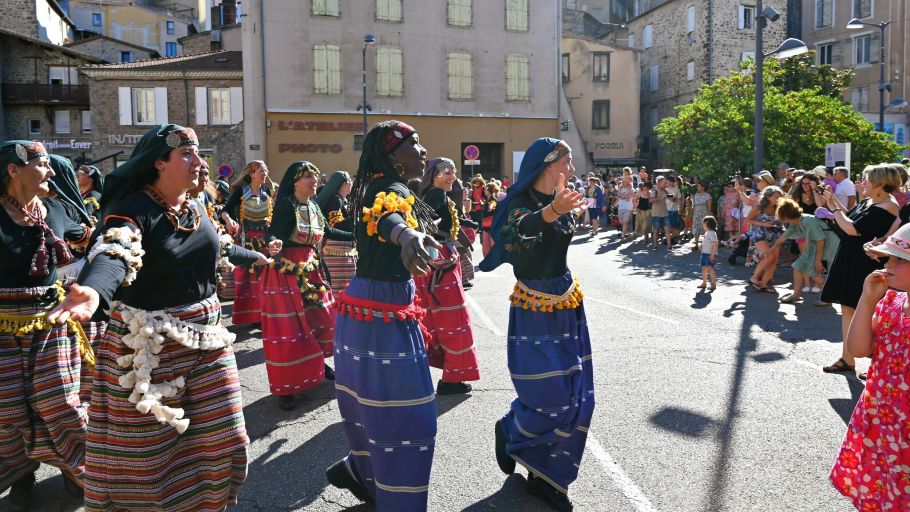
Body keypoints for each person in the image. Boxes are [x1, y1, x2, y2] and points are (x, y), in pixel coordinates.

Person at [48, 124, 269, 511]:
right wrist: (94, 289)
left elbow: (221, 247)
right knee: (148, 457)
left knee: (226, 440)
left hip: (209, 340)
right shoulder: (132, 209)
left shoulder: (196, 207)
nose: (199, 163)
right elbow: (115, 251)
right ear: (159, 163)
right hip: (148, 347)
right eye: (187, 154)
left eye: (198, 153)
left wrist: (259, 258)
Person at [326, 121, 442, 511]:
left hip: (370, 308)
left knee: (373, 409)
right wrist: (407, 236)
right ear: (392, 155)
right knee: (409, 419)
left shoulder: (382, 185)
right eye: (415, 144)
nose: (423, 151)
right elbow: (387, 218)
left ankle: (363, 471)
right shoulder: (389, 189)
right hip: (380, 312)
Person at [480, 138, 594, 512]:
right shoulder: (519, 203)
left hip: (566, 302)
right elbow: (513, 238)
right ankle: (511, 428)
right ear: (549, 164)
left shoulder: (566, 198)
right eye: (568, 161)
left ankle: (546, 479)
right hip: (534, 307)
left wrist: (559, 209)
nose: (573, 169)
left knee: (577, 395)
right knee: (549, 396)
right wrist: (550, 211)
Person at [0, 141, 91, 511]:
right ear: (13, 169)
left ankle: (76, 470)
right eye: (42, 164)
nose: (52, 171)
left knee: (61, 404)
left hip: (53, 321)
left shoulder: (56, 209)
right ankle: (22, 476)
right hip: (3, 328)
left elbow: (88, 239)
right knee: (7, 411)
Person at [261, 161, 354, 410]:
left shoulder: (313, 206)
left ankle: (318, 364)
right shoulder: (285, 205)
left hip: (311, 269)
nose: (315, 182)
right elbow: (272, 233)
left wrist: (359, 235)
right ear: (295, 182)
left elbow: (329, 231)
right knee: (290, 327)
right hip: (287, 272)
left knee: (322, 320)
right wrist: (273, 244)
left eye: (315, 177)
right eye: (309, 178)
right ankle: (287, 388)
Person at [830, 224, 910, 510]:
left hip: (906, 422)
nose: (888, 264)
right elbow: (859, 349)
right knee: (882, 488)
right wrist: (867, 299)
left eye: (899, 259)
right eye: (887, 257)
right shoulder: (890, 300)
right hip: (881, 415)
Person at [820, 164, 901, 374]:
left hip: (865, 264)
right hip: (851, 258)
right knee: (847, 308)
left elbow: (851, 228)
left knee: (869, 314)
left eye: (867, 179)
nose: (862, 183)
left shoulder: (888, 206)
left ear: (880, 183)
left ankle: (877, 364)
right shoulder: (871, 201)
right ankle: (848, 359)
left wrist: (833, 207)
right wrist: (833, 201)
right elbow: (851, 218)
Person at [414, 157, 481, 394]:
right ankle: (451, 378)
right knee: (453, 321)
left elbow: (441, 223)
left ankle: (449, 375)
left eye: (453, 171)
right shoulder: (435, 194)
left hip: (442, 262)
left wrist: (465, 224)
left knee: (445, 320)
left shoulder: (438, 195)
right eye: (446, 172)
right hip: (441, 268)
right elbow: (426, 226)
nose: (452, 176)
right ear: (433, 175)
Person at [221, 160, 275, 324]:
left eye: (265, 171)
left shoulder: (266, 191)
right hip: (246, 240)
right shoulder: (240, 191)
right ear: (251, 174)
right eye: (260, 171)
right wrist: (229, 221)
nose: (264, 174)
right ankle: (251, 316)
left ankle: (263, 315)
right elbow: (225, 211)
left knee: (264, 278)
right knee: (248, 280)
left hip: (264, 241)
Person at [770, 198, 839, 304]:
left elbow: (820, 240)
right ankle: (796, 295)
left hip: (830, 245)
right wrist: (771, 250)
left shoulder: (808, 221)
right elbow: (784, 237)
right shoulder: (796, 222)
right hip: (818, 245)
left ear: (786, 216)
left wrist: (818, 260)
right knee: (798, 266)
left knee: (812, 271)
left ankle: (828, 298)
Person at [315, 170, 358, 294]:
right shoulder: (336, 200)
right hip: (337, 249)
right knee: (338, 287)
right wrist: (356, 223)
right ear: (343, 184)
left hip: (344, 248)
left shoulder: (341, 200)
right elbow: (336, 223)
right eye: (350, 182)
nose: (351, 185)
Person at [746, 186, 785, 292]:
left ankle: (764, 283)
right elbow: (749, 219)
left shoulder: (779, 207)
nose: (779, 199)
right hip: (760, 233)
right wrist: (763, 224)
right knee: (769, 255)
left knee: (774, 259)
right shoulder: (760, 206)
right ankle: (754, 277)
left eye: (780, 197)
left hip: (775, 234)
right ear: (768, 197)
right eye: (776, 197)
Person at [698, 216, 718, 292]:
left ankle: (713, 284)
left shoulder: (712, 233)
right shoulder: (707, 232)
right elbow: (706, 242)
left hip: (709, 254)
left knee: (710, 269)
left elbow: (715, 244)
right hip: (704, 253)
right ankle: (704, 283)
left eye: (704, 223)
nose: (703, 224)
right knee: (704, 268)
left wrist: (713, 254)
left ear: (708, 224)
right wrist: (701, 246)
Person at [481, 180, 501, 257]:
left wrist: (488, 208)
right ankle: (489, 258)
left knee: (489, 243)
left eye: (486, 189)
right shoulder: (489, 199)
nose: (484, 190)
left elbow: (491, 210)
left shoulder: (492, 199)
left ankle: (491, 258)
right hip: (488, 224)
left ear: (489, 190)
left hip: (490, 224)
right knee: (487, 243)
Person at [691, 182, 712, 250]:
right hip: (696, 213)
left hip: (704, 214)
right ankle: (696, 245)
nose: (697, 188)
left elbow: (709, 207)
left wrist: (708, 216)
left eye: (699, 186)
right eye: (697, 187)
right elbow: (694, 205)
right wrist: (692, 213)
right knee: (696, 228)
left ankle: (706, 245)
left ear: (703, 187)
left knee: (706, 229)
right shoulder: (696, 195)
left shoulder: (708, 196)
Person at [617, 170, 635, 239]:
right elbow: (618, 195)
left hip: (628, 207)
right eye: (622, 181)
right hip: (621, 206)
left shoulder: (631, 187)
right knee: (621, 221)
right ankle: (627, 232)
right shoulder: (620, 186)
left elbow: (629, 196)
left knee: (625, 221)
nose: (623, 182)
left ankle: (623, 235)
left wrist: (623, 196)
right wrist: (623, 195)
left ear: (628, 181)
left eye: (625, 181)